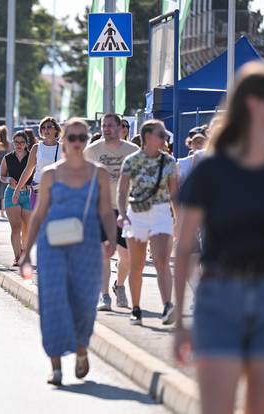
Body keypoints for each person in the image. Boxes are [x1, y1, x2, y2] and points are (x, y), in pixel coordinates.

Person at [174, 62, 264, 414]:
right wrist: (180, 324)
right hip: (219, 298)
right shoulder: (210, 170)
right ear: (252, 104)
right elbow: (184, 247)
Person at [19, 117, 117, 385]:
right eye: (71, 138)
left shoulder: (99, 173)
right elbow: (38, 215)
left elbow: (107, 211)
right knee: (53, 303)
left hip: (86, 246)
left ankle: (82, 348)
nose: (75, 143)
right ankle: (56, 366)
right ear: (63, 140)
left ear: (87, 142)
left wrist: (110, 239)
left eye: (81, 138)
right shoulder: (50, 173)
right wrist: (27, 253)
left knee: (85, 303)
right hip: (53, 246)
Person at [117, 119, 178, 326]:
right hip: (137, 213)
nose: (164, 139)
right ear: (148, 137)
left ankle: (168, 305)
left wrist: (177, 221)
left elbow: (174, 194)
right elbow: (123, 190)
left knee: (162, 260)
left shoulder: (169, 162)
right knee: (137, 265)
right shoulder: (131, 161)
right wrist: (122, 213)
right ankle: (136, 308)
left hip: (161, 212)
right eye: (161, 135)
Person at [84, 113, 138, 311]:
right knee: (104, 254)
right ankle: (104, 295)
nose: (106, 129)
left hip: (127, 209)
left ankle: (119, 285)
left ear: (120, 127)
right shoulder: (92, 151)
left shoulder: (133, 150)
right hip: (102, 208)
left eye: (110, 125)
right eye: (103, 125)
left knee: (127, 258)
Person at [13, 116, 63, 209]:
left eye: (49, 127)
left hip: (56, 190)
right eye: (43, 127)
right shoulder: (37, 147)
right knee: (38, 221)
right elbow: (28, 170)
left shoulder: (63, 148)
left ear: (56, 129)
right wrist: (17, 190)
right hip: (38, 189)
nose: (46, 129)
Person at [0, 131, 33, 266]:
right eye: (16, 142)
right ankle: (17, 257)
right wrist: (8, 179)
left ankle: (24, 252)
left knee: (26, 227)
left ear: (26, 144)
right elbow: (1, 176)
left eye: (22, 142)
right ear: (13, 143)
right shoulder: (8, 158)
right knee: (16, 227)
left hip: (28, 194)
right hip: (12, 194)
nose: (19, 145)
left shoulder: (32, 157)